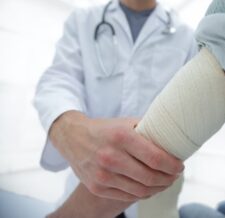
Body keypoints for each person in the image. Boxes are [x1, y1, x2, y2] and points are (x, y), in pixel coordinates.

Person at [34, 0, 197, 217]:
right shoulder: (83, 21)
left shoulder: (185, 37)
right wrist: (68, 128)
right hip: (85, 188)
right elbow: (58, 80)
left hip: (154, 199)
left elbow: (190, 109)